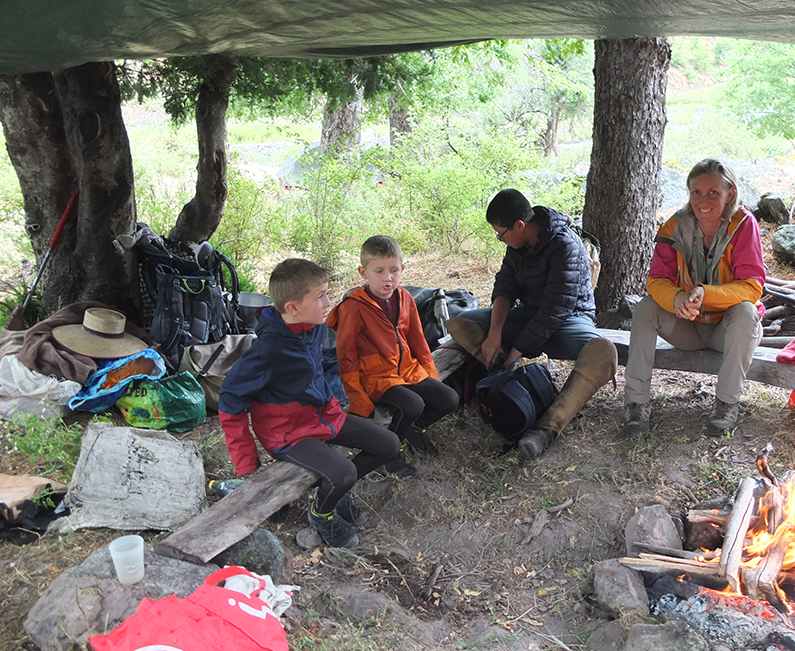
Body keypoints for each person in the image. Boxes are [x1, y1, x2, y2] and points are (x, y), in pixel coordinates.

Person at [218, 258, 401, 549]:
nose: (329, 302)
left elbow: (319, 368)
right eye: (320, 296)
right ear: (292, 308)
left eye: (327, 293)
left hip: (323, 416)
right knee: (344, 473)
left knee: (388, 444)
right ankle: (322, 512)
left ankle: (333, 494)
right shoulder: (268, 350)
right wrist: (246, 460)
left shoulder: (312, 325)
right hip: (288, 433)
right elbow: (229, 397)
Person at [447, 188, 617, 458]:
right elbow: (505, 286)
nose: (500, 239)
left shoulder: (565, 245)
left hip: (569, 319)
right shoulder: (517, 245)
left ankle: (546, 427)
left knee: (603, 352)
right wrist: (494, 334)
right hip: (528, 314)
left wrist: (516, 352)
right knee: (464, 322)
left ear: (520, 225)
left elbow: (555, 310)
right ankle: (507, 380)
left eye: (500, 233)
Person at [623, 157, 765, 437]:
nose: (704, 200)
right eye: (696, 192)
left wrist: (706, 293)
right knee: (645, 308)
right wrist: (677, 299)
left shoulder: (743, 224)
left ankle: (726, 403)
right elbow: (656, 280)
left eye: (714, 192)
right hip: (686, 325)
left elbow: (751, 286)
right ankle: (636, 403)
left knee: (747, 312)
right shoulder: (674, 226)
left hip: (727, 330)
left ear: (730, 193)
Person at [327, 235, 460, 474]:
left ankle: (415, 430)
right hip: (377, 378)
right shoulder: (353, 307)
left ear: (402, 269)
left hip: (407, 371)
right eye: (379, 271)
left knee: (448, 399)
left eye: (394, 270)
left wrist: (430, 377)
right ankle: (392, 451)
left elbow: (418, 340)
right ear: (363, 271)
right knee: (413, 404)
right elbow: (346, 357)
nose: (387, 278)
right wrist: (358, 400)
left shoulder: (405, 297)